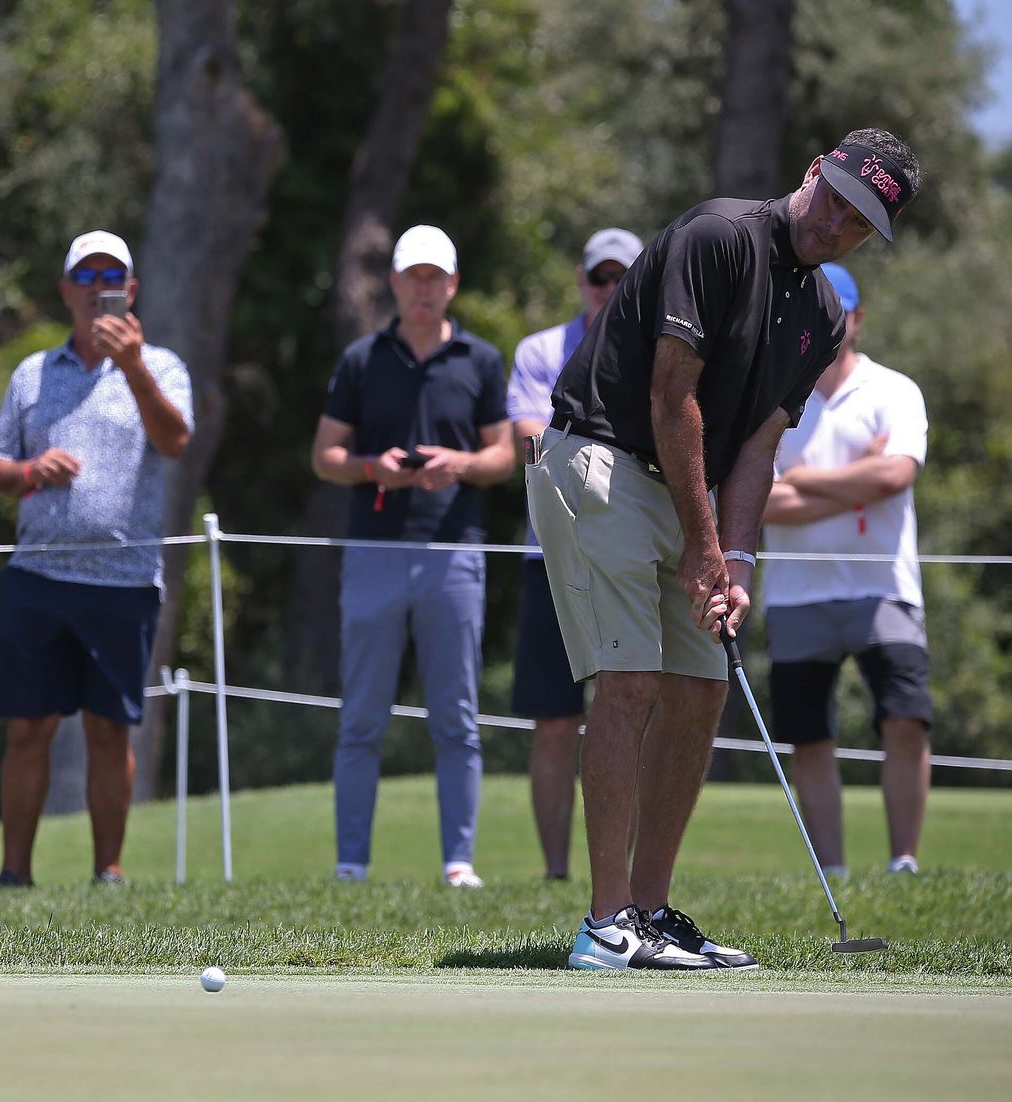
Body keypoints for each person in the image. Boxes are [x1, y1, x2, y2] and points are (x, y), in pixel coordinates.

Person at [524, 128, 921, 970]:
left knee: (702, 690)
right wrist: (707, 544)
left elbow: (760, 447)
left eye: (859, 226)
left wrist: (735, 563)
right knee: (629, 683)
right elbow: (675, 401)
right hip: (600, 458)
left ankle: (651, 910)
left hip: (688, 488)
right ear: (813, 171)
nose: (837, 227)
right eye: (837, 201)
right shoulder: (717, 236)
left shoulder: (819, 314)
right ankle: (602, 929)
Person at [0, 230, 192, 887]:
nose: (99, 284)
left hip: (123, 583)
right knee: (28, 730)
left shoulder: (161, 367)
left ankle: (109, 871)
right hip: (38, 577)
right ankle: (14, 873)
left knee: (109, 731)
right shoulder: (32, 373)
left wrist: (131, 368)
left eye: (113, 274)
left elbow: (175, 440)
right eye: (87, 273)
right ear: (67, 289)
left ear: (129, 290)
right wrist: (29, 470)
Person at [310, 224, 513, 889]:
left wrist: (460, 464)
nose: (425, 287)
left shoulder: (481, 360)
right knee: (361, 717)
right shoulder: (362, 360)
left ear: (452, 284)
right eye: (413, 276)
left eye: (436, 277)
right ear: (395, 282)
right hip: (373, 550)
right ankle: (350, 864)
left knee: (455, 716)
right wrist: (376, 469)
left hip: (454, 551)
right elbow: (326, 457)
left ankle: (459, 862)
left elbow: (503, 455)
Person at [761, 262, 931, 878]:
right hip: (795, 594)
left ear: (857, 319)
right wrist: (855, 484)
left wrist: (802, 480)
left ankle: (903, 862)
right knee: (809, 737)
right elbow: (757, 500)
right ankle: (830, 870)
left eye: (840, 310)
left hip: (884, 588)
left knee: (905, 719)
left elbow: (896, 475)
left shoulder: (895, 390)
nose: (830, 321)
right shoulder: (774, 394)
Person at [507, 227, 642, 880]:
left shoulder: (659, 349)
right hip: (552, 555)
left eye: (624, 278)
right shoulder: (540, 350)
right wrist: (593, 467)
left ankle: (622, 873)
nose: (610, 290)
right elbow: (529, 446)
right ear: (584, 281)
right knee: (556, 722)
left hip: (630, 556)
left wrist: (572, 457)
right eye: (601, 278)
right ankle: (557, 871)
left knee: (631, 712)